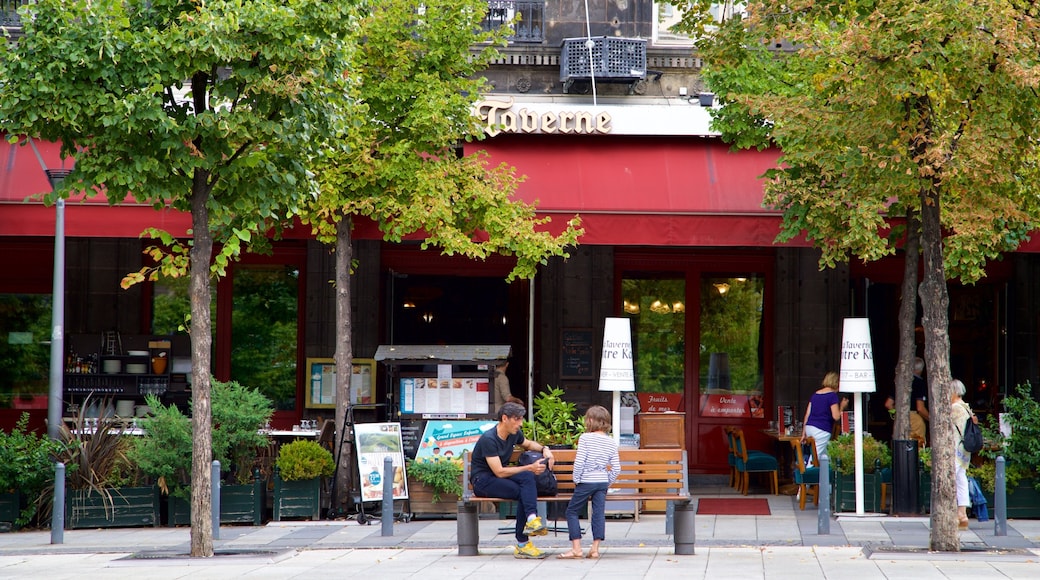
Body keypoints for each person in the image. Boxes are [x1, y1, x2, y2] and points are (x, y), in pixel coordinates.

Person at [469, 401, 555, 559]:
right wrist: (529, 467)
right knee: (525, 484)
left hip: (497, 477)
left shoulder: (514, 434)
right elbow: (499, 472)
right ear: (504, 418)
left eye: (521, 419)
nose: (520, 424)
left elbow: (528, 444)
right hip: (483, 480)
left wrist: (545, 449)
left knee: (527, 479)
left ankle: (531, 521)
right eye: (517, 419)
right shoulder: (489, 439)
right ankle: (523, 543)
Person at [557, 405, 620, 560]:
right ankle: (595, 548)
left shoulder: (585, 438)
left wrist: (577, 479)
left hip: (586, 482)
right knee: (598, 514)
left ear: (590, 421)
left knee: (571, 512)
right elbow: (617, 468)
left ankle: (576, 548)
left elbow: (579, 462)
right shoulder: (611, 442)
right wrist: (608, 482)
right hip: (601, 483)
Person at [800, 371, 847, 459]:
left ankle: (824, 472)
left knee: (825, 457)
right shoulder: (832, 396)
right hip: (822, 430)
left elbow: (807, 414)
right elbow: (836, 416)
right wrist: (842, 406)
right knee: (814, 459)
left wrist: (804, 433)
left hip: (809, 428)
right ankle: (807, 472)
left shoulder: (815, 395)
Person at [951, 379, 975, 530]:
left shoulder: (954, 408)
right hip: (964, 449)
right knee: (961, 479)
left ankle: (956, 514)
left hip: (955, 447)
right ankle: (962, 514)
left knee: (953, 478)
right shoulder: (966, 407)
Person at [910, 357, 930, 445]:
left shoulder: (900, 382)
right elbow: (920, 408)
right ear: (921, 369)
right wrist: (931, 419)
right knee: (917, 447)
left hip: (900, 419)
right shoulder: (919, 383)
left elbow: (889, 404)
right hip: (915, 419)